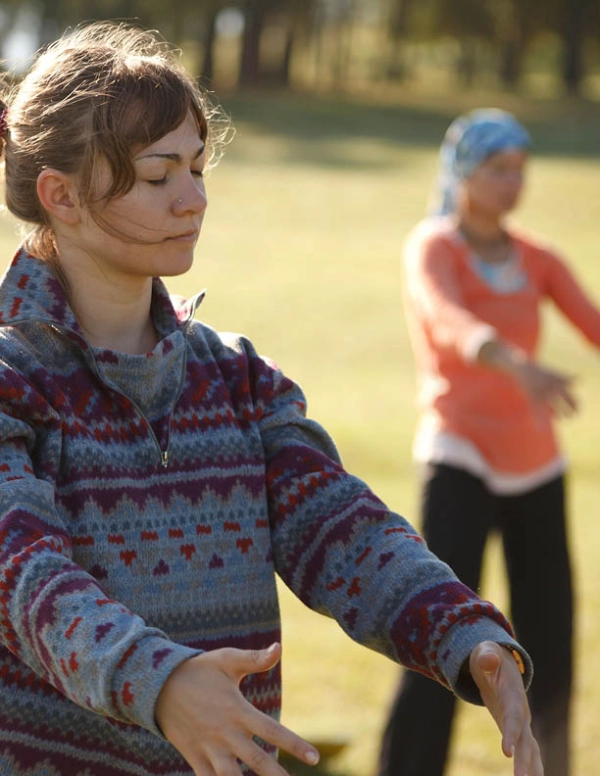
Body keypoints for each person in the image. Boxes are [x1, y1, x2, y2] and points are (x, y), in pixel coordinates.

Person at [0, 27, 542, 776]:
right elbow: (24, 578)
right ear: (59, 195)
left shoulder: (236, 378)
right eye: (159, 176)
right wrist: (160, 681)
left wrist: (461, 631)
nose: (194, 198)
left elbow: (340, 528)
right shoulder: (12, 383)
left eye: (196, 166)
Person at [378, 108, 600, 776]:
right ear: (463, 172)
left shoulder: (537, 257)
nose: (512, 183)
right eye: (498, 169)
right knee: (439, 634)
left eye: (520, 170)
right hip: (459, 456)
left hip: (535, 464)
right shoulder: (434, 246)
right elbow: (449, 321)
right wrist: (514, 363)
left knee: (551, 643)